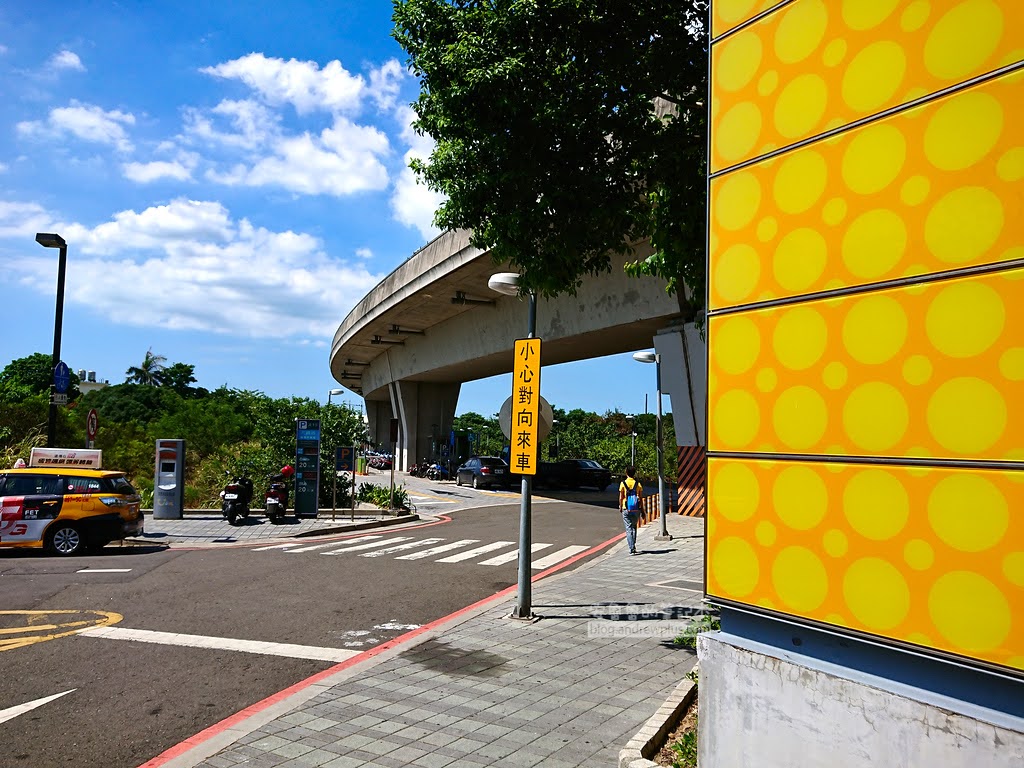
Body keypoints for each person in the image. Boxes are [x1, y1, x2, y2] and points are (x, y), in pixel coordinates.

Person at [619, 466, 643, 555]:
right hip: (636, 508)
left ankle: (631, 548)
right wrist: (643, 510)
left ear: (626, 473)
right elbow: (640, 498)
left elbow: (621, 497)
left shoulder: (623, 483)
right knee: (634, 527)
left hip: (626, 508)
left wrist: (621, 506)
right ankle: (633, 545)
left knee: (628, 528)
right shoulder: (638, 484)